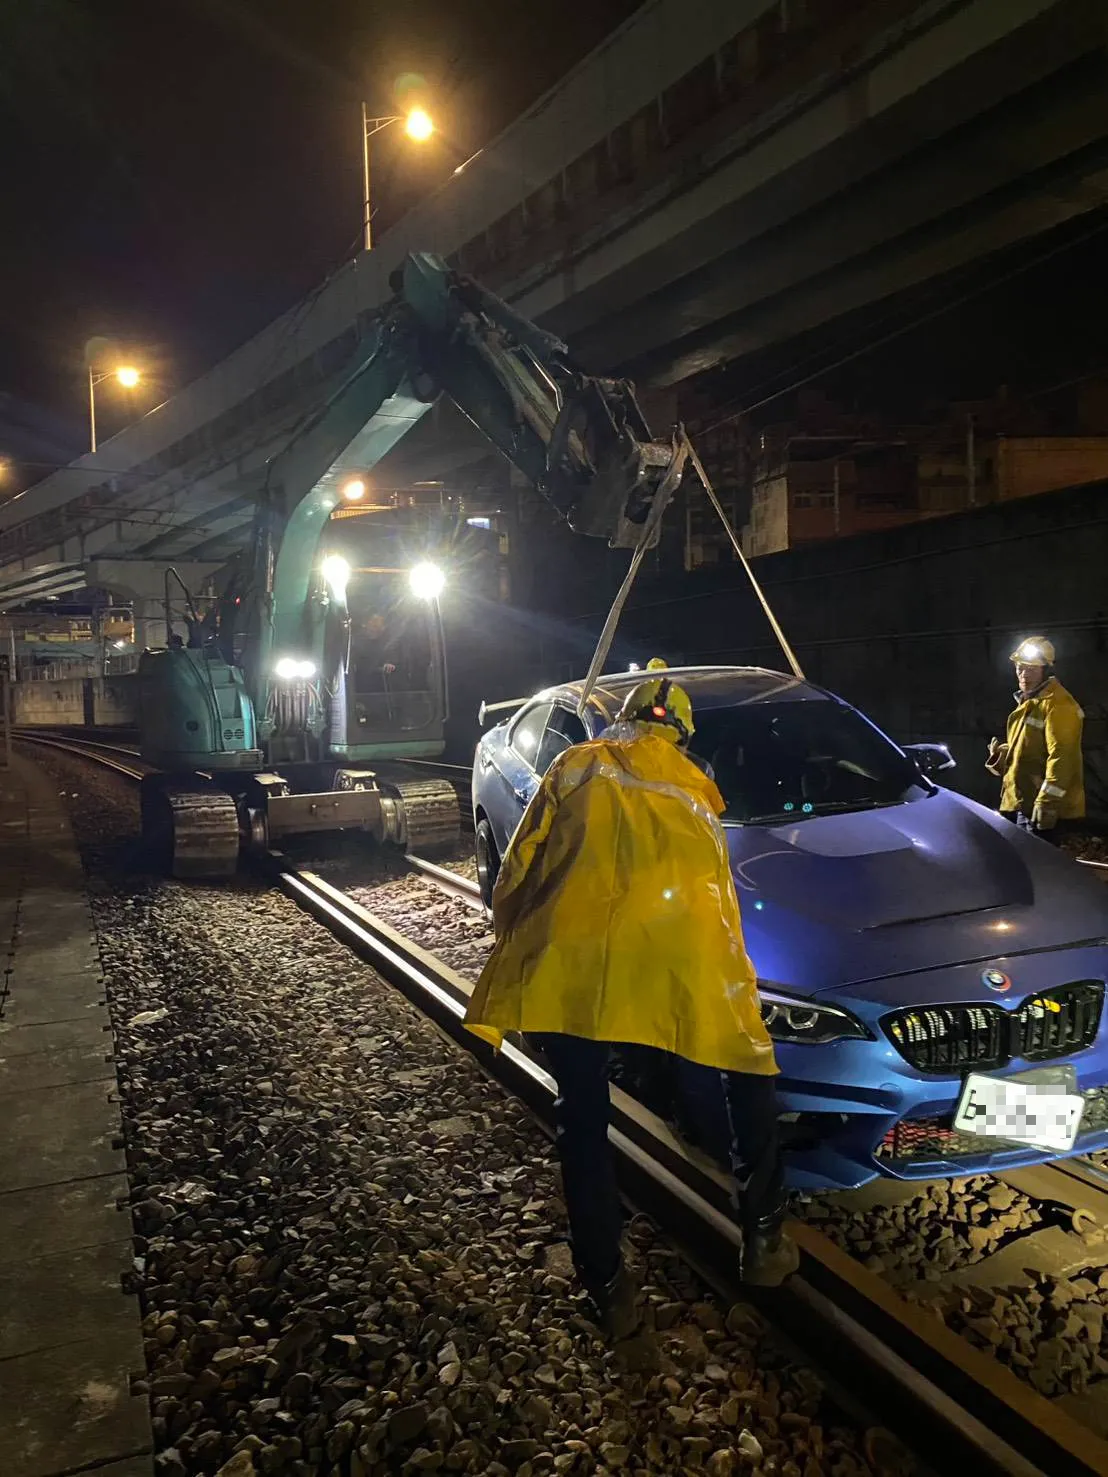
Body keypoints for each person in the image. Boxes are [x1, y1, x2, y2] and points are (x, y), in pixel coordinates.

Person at [464, 676, 797, 1337]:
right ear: (679, 732)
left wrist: (513, 941)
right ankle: (762, 1236)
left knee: (583, 1121)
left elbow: (516, 870)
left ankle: (608, 1285)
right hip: (675, 965)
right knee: (750, 1068)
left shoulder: (573, 765)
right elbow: (718, 905)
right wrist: (732, 995)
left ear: (621, 719)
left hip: (577, 971)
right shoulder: (698, 791)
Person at [986, 636, 1084, 844]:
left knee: (1039, 870)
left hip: (1038, 808)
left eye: (1031, 669)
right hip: (1020, 803)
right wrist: (1004, 754)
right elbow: (1029, 749)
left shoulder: (1058, 704)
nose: (1023, 674)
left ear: (1045, 670)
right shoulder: (1031, 702)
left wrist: (1047, 804)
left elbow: (1063, 757)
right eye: (1020, 667)